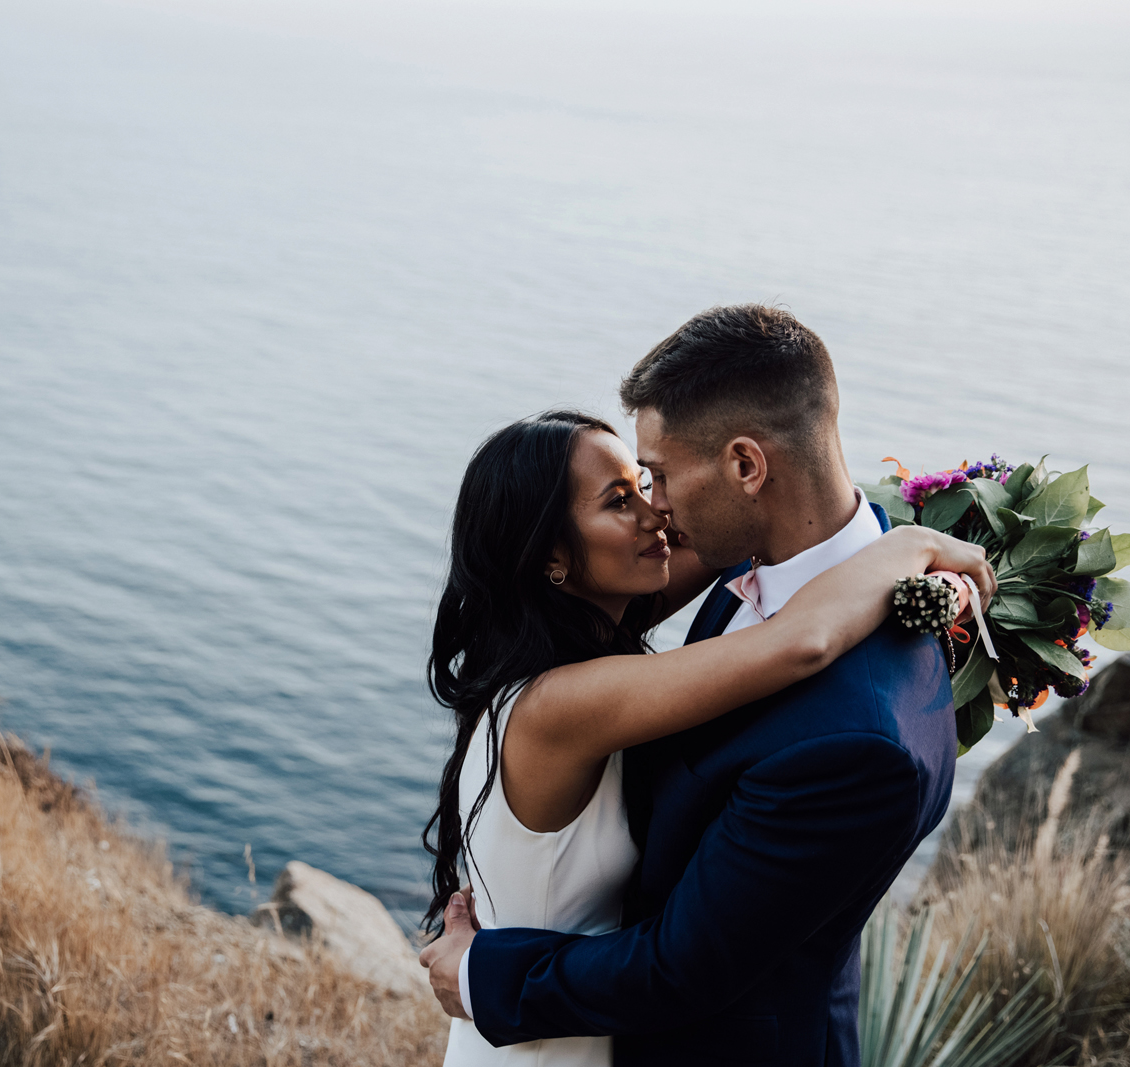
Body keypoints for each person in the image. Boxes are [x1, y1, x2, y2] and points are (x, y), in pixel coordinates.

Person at [421, 307, 992, 1067]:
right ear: (555, 558)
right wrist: (911, 541)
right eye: (625, 495)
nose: (658, 510)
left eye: (650, 477)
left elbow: (686, 965)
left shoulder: (854, 736)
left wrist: (900, 545)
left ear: (746, 467)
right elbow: (802, 630)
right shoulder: (572, 690)